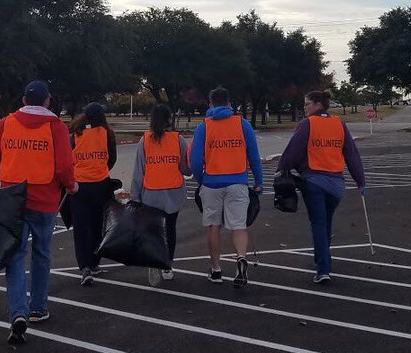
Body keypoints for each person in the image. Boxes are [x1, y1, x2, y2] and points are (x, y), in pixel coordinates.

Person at [0, 80, 76, 345]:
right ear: (47, 101)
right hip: (45, 199)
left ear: (23, 100)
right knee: (42, 253)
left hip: (12, 200)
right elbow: (65, 166)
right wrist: (71, 185)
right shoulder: (55, 126)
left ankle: (17, 312)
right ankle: (38, 306)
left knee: (15, 256)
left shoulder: (6, 123)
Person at [275, 89, 366, 284]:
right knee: (325, 222)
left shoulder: (307, 124)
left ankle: (324, 268)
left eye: (307, 104)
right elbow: (352, 155)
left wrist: (281, 170)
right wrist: (360, 181)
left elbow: (292, 151)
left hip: (314, 181)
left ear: (317, 105)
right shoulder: (339, 125)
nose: (304, 107)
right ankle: (321, 259)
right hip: (336, 184)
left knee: (318, 223)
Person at [190, 86, 263, 286]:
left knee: (214, 226)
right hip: (238, 181)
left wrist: (200, 179)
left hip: (212, 182)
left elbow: (195, 160)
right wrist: (258, 181)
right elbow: (254, 156)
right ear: (230, 103)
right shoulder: (243, 124)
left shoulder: (204, 127)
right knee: (239, 225)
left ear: (210, 103)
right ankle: (240, 257)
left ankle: (216, 269)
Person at [130, 103, 191, 282]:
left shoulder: (145, 140)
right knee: (170, 230)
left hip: (151, 194)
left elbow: (138, 171)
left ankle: (154, 259)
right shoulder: (178, 139)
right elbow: (186, 169)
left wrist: (135, 196)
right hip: (173, 193)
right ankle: (167, 266)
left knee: (154, 231)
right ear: (169, 119)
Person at [68, 102, 118, 285]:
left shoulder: (75, 135)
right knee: (99, 225)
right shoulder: (107, 134)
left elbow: (68, 159)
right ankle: (95, 261)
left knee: (80, 228)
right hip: (101, 185)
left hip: (80, 186)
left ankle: (84, 266)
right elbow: (112, 159)